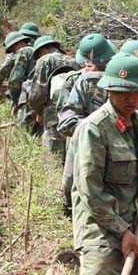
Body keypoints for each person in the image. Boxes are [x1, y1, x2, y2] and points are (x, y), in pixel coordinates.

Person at [58, 39, 138, 237]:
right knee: (79, 140)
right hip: (89, 155)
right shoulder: (89, 84)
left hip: (123, 162)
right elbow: (65, 123)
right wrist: (99, 131)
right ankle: (73, 210)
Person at [72, 52, 138, 275]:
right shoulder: (95, 129)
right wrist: (122, 232)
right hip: (100, 227)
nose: (130, 98)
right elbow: (90, 190)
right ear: (108, 90)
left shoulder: (137, 122)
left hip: (132, 222)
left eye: (136, 92)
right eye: (122, 92)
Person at [56, 33, 116, 214]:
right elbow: (66, 122)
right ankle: (71, 197)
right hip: (83, 141)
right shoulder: (77, 81)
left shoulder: (118, 83)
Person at [27, 35, 80, 158]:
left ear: (41, 51)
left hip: (52, 112)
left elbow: (38, 92)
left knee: (54, 153)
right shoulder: (73, 61)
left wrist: (37, 111)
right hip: (72, 111)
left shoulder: (44, 60)